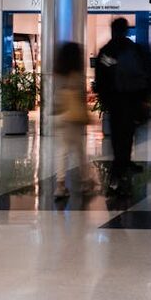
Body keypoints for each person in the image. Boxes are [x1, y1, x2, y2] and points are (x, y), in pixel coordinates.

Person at [94, 18, 151, 189]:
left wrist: (105, 99)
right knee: (128, 134)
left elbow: (100, 79)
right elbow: (146, 73)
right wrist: (146, 97)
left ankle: (118, 170)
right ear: (126, 30)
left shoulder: (107, 51)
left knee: (117, 137)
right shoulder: (133, 49)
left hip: (115, 102)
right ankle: (122, 166)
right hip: (132, 101)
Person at [53, 42, 93, 199]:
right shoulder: (76, 75)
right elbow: (80, 99)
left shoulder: (57, 73)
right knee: (79, 151)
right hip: (72, 118)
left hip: (58, 115)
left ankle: (60, 185)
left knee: (62, 152)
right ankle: (85, 181)